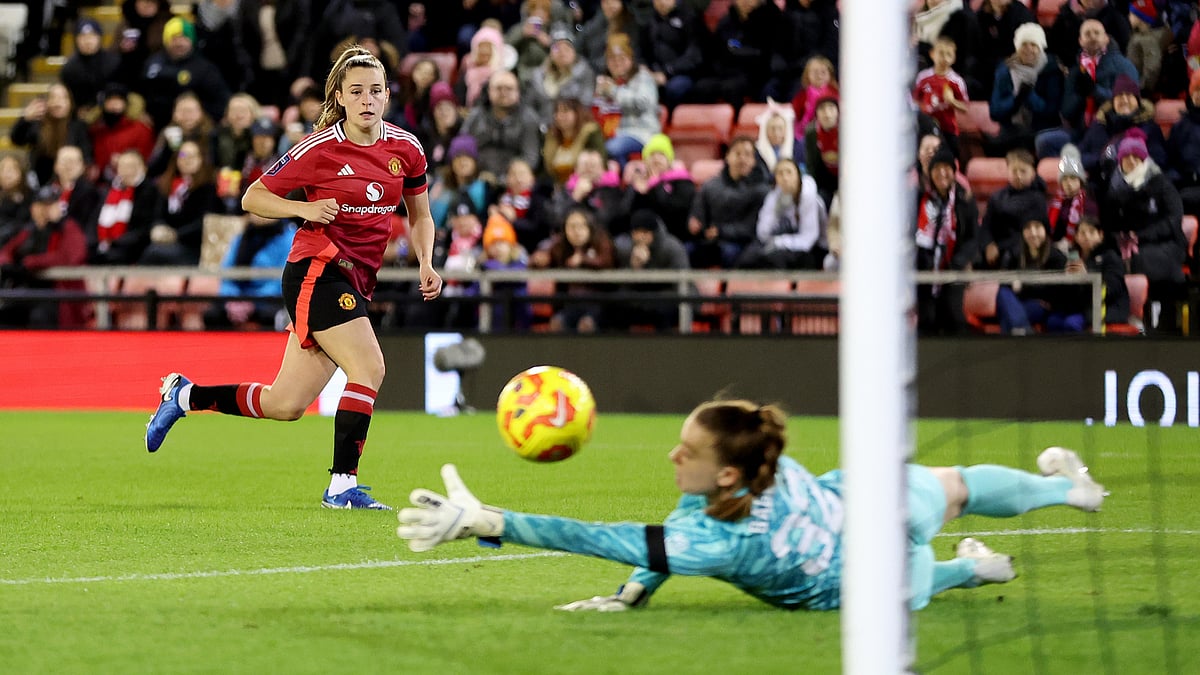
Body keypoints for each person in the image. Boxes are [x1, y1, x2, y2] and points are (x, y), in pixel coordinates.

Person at [396, 398, 1108, 612]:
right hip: (866, 511)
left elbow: (609, 538)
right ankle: (1060, 493)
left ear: (727, 473)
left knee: (918, 563)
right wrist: (632, 594)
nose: (674, 457)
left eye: (687, 452)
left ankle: (972, 566)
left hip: (873, 582)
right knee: (952, 487)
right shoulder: (771, 458)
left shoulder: (719, 541)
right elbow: (656, 543)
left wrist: (490, 520)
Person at [144, 46, 443, 511]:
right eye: (357, 91)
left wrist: (426, 260)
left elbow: (419, 213)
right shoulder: (319, 148)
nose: (367, 99)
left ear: (387, 96)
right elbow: (253, 197)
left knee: (285, 404)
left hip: (358, 279)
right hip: (317, 270)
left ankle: (183, 395)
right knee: (370, 368)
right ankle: (342, 487)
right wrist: (303, 207)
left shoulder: (406, 148)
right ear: (340, 97)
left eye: (376, 91)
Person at [0, 185, 89, 329]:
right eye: (42, 205)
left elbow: (71, 257)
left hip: (58, 294)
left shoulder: (68, 227)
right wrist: (9, 264)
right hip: (30, 291)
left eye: (50, 205)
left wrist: (31, 263)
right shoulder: (29, 231)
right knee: (6, 314)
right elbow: (6, 251)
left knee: (39, 317)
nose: (45, 210)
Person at [988, 23, 1065, 158]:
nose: (1028, 49)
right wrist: (1016, 99)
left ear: (1041, 48)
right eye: (1024, 44)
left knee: (1016, 141)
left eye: (1034, 45)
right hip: (1011, 128)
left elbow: (1051, 111)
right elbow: (995, 112)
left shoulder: (1051, 70)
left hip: (1042, 128)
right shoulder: (1005, 70)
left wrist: (1029, 94)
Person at [737, 158, 828, 270]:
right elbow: (762, 233)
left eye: (789, 172)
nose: (785, 178)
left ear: (798, 176)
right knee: (747, 258)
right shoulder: (774, 196)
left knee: (774, 259)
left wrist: (780, 242)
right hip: (781, 242)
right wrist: (777, 211)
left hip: (813, 248)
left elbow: (808, 239)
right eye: (780, 173)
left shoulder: (808, 196)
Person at [912, 36, 970, 159]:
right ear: (932, 54)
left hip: (948, 129)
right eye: (941, 53)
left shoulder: (956, 81)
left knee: (949, 160)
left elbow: (965, 107)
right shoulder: (923, 77)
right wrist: (924, 108)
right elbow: (914, 100)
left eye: (948, 54)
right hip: (926, 129)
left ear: (954, 58)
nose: (944, 58)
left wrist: (952, 101)